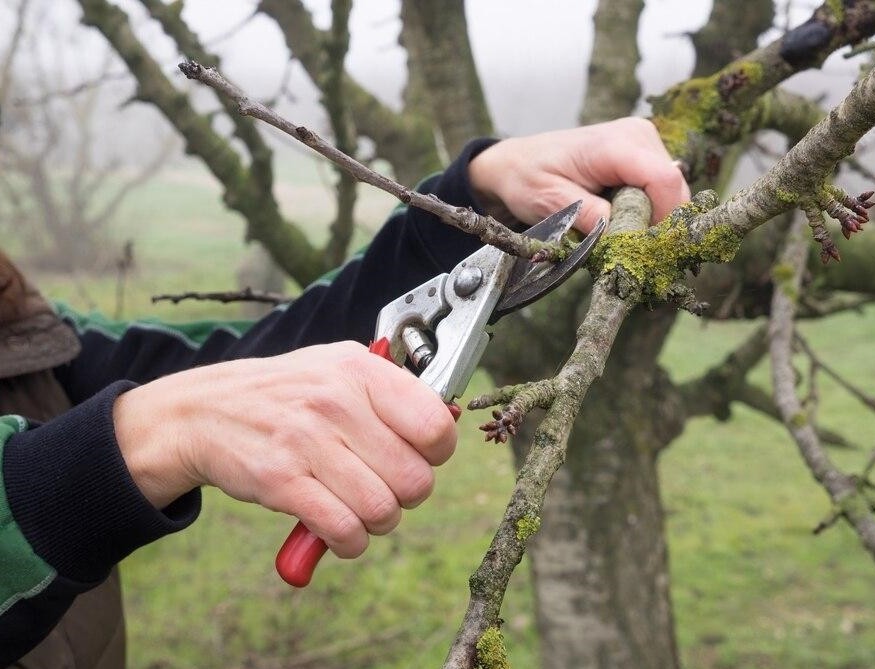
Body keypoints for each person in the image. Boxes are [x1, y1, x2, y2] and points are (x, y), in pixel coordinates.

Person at [0, 117, 689, 665]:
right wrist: (149, 434)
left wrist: (476, 200)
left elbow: (257, 361)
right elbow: (181, 402)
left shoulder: (23, 334)